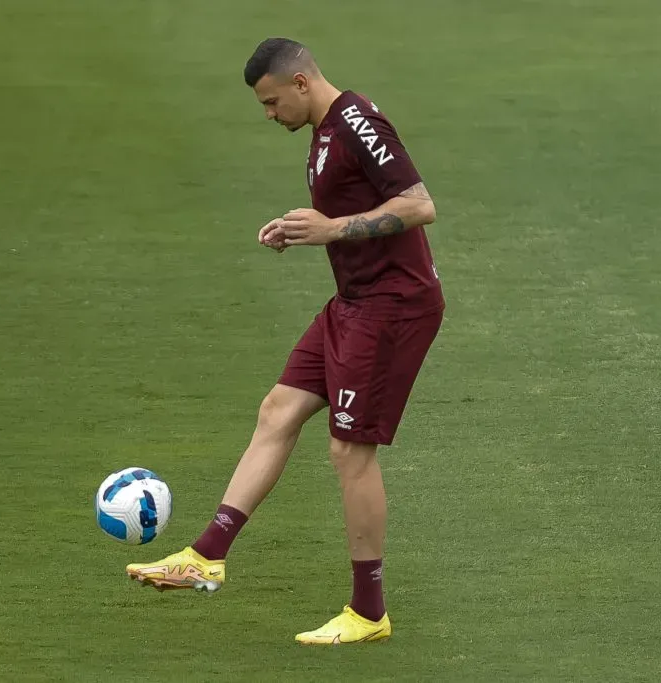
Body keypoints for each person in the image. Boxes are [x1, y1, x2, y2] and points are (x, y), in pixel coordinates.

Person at [126, 37, 444, 645]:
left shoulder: (357, 122)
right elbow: (348, 212)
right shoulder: (323, 132)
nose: (270, 115)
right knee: (278, 409)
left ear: (301, 82)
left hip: (391, 308)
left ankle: (368, 613)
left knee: (350, 452)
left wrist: (331, 228)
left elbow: (419, 205)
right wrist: (301, 229)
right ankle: (207, 555)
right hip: (353, 303)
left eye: (272, 103)